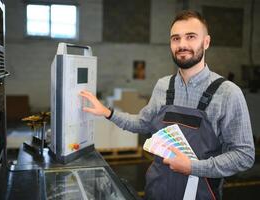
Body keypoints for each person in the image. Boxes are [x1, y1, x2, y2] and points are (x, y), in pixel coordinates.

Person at [79, 10, 255, 200]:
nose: (182, 45)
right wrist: (107, 112)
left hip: (199, 194)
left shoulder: (228, 93)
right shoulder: (163, 86)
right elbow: (142, 123)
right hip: (157, 190)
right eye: (175, 38)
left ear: (206, 42)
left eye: (191, 37)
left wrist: (193, 167)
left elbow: (244, 155)